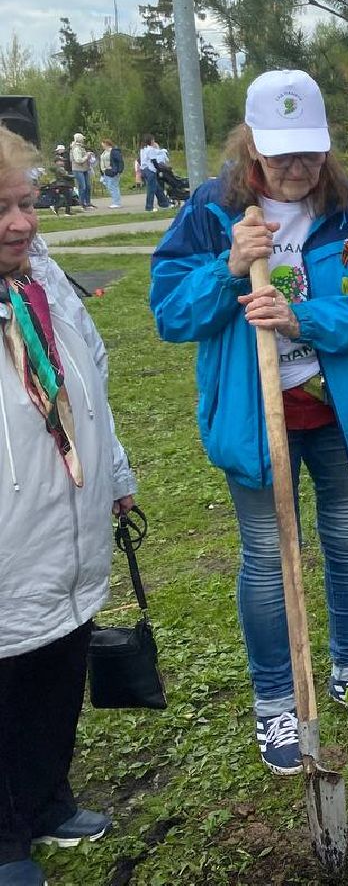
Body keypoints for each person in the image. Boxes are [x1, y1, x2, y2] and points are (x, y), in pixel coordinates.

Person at [150, 69, 348, 773]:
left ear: (327, 147)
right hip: (252, 410)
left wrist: (306, 317)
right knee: (268, 557)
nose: (297, 169)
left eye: (310, 152)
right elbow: (171, 315)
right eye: (280, 155)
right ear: (250, 146)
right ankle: (274, 704)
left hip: (338, 408)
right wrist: (229, 270)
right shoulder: (211, 212)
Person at [0, 126, 138, 886]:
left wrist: (114, 472)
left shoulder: (42, 281)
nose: (22, 222)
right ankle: (4, 839)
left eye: (27, 204)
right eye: (0, 209)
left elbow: (92, 377)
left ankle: (47, 798)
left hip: (67, 511)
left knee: (58, 656)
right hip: (8, 529)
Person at [139, 135, 172, 212]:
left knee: (157, 188)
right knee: (151, 189)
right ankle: (149, 207)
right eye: (153, 140)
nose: (154, 142)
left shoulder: (143, 149)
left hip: (144, 170)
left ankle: (164, 203)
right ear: (150, 141)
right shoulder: (151, 150)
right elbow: (154, 162)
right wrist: (160, 169)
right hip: (150, 170)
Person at [68, 132, 93, 210]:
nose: (83, 140)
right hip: (78, 169)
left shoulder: (81, 147)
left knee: (88, 186)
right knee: (83, 187)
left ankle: (88, 203)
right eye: (82, 139)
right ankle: (82, 203)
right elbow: (78, 160)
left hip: (85, 169)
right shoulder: (76, 148)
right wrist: (87, 156)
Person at [98, 138, 125, 208]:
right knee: (110, 187)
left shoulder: (113, 152)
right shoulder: (104, 152)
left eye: (103, 144)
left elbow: (120, 161)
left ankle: (117, 203)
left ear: (107, 144)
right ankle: (115, 201)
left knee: (113, 187)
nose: (102, 146)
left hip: (112, 172)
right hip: (105, 172)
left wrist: (118, 171)